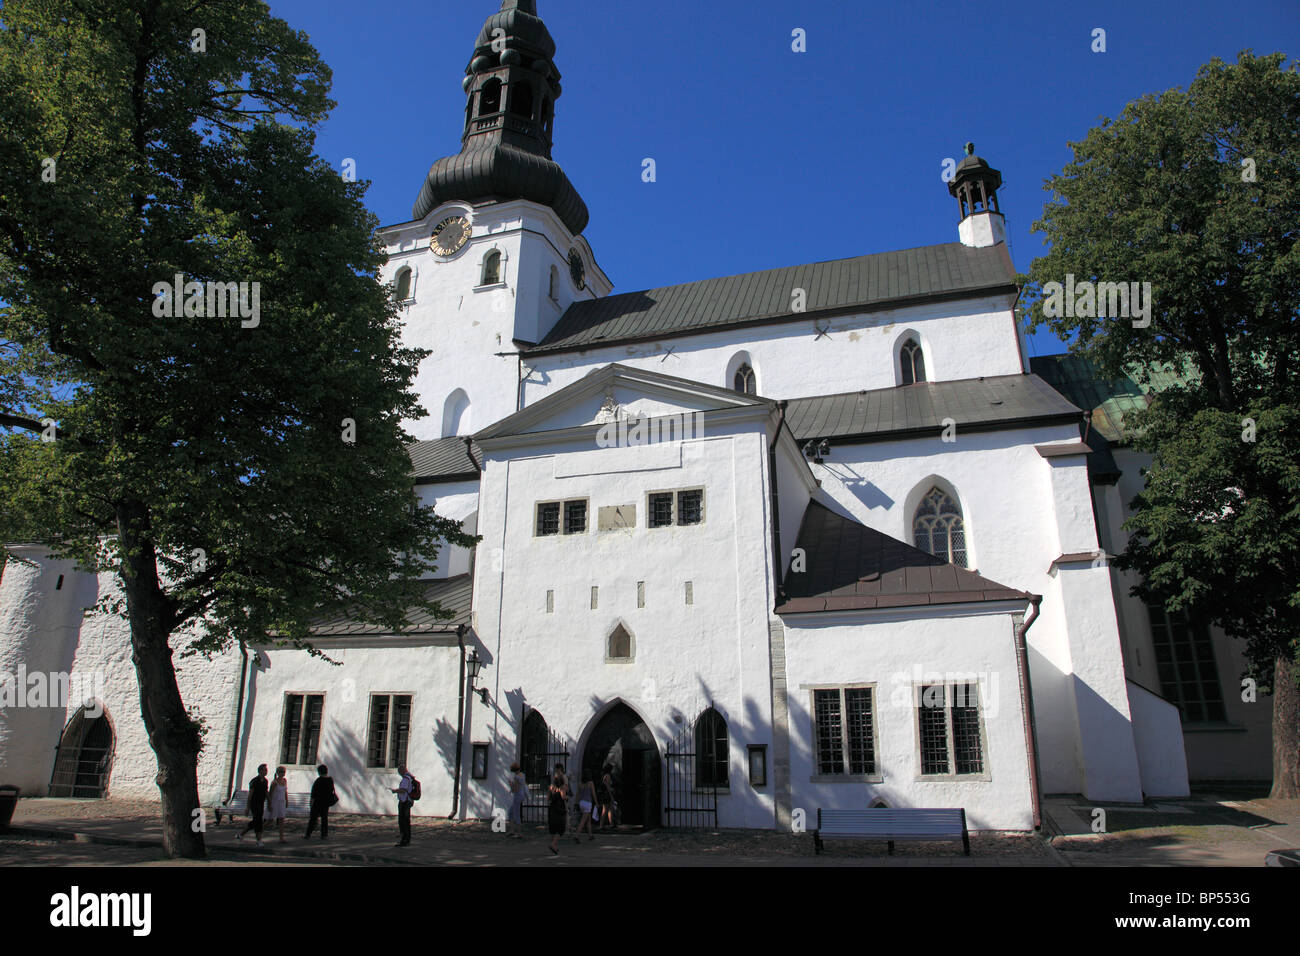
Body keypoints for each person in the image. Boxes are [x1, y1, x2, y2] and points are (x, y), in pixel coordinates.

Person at [238, 764, 269, 847]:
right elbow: (250, 795)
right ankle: (259, 840)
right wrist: (247, 807)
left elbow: (266, 792)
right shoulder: (254, 781)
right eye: (264, 770)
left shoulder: (265, 781)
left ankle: (240, 834)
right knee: (258, 821)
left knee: (256, 821)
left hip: (261, 803)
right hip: (254, 804)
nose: (266, 771)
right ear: (260, 771)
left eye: (266, 770)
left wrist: (269, 801)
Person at [305, 764, 336, 840]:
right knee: (324, 818)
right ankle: (324, 834)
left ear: (319, 772)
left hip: (317, 802)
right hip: (326, 802)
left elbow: (313, 793)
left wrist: (311, 803)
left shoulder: (318, 780)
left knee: (313, 818)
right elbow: (332, 790)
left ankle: (308, 834)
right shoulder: (330, 780)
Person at [390, 764, 414, 847]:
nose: (399, 774)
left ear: (402, 771)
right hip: (408, 801)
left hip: (404, 801)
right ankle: (406, 839)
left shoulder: (406, 779)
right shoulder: (411, 778)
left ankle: (404, 839)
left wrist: (395, 791)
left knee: (403, 821)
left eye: (400, 772)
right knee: (406, 821)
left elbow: (403, 790)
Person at [547, 768, 567, 854]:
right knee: (561, 828)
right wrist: (568, 797)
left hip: (552, 808)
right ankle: (553, 844)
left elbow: (548, 798)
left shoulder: (551, 787)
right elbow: (563, 797)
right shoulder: (563, 787)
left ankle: (554, 846)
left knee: (553, 828)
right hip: (560, 808)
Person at [266, 766, 289, 842]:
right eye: (281, 772)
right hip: (275, 802)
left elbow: (285, 791)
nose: (283, 773)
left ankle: (281, 838)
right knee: (270, 821)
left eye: (284, 772)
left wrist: (287, 800)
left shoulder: (284, 781)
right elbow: (270, 794)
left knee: (281, 820)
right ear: (278, 772)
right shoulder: (274, 782)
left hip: (282, 802)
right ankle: (259, 832)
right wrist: (269, 804)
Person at [574, 770, 597, 842]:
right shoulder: (590, 783)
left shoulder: (580, 784)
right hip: (588, 803)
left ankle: (590, 835)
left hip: (581, 802)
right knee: (583, 821)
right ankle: (576, 835)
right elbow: (593, 794)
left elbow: (578, 794)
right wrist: (596, 802)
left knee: (588, 819)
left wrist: (576, 803)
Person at [507, 761, 527, 839]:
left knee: (516, 813)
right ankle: (512, 830)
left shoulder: (516, 777)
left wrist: (511, 784)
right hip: (521, 795)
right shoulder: (522, 775)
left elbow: (515, 789)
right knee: (510, 812)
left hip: (517, 796)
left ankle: (519, 833)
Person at [599, 764, 616, 830]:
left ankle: (611, 823)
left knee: (609, 809)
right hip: (607, 795)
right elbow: (608, 787)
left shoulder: (604, 776)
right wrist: (611, 795)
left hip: (605, 794)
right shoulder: (608, 776)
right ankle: (601, 825)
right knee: (605, 810)